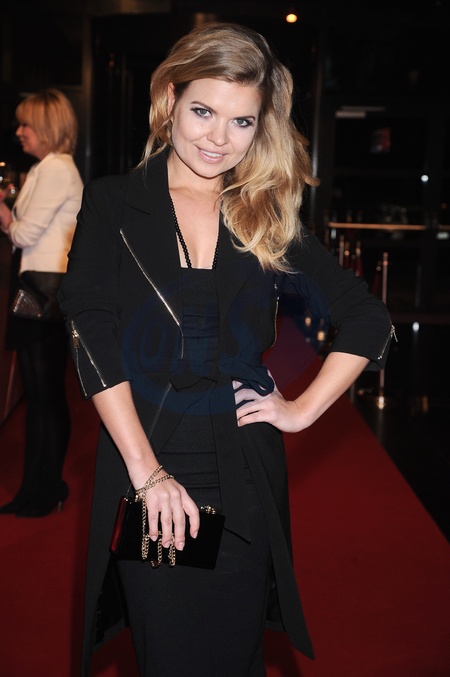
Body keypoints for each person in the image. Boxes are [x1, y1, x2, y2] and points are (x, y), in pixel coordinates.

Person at [58, 22, 393, 676]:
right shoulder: (114, 203)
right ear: (170, 102)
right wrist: (148, 472)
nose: (218, 138)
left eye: (242, 121)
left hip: (244, 473)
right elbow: (90, 333)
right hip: (148, 464)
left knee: (235, 657)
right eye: (203, 111)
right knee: (169, 656)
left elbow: (367, 316)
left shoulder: (262, 214)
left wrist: (300, 409)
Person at [0, 89, 83, 517]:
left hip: (43, 293)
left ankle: (44, 491)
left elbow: (24, 234)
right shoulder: (47, 168)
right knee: (44, 395)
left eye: (26, 124)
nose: (19, 132)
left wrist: (3, 214)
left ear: (47, 128)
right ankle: (41, 489)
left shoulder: (55, 169)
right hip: (43, 291)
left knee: (44, 396)